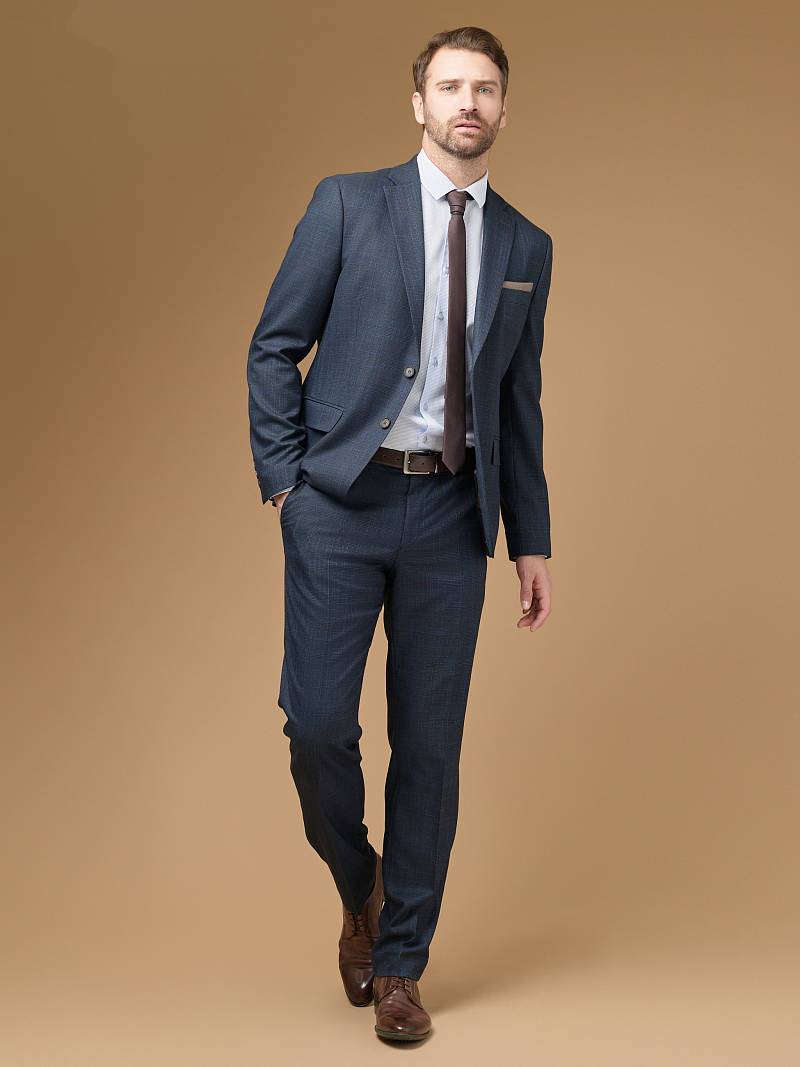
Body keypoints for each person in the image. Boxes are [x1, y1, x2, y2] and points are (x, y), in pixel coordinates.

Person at [246, 25, 554, 1043]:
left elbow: (516, 404)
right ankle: (361, 885)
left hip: (452, 516)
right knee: (317, 726)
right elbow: (273, 347)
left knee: (428, 747)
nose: (468, 102)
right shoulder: (347, 203)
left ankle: (401, 966)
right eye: (450, 85)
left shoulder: (525, 246)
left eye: (485, 88)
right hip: (339, 503)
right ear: (418, 104)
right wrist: (288, 488)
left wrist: (530, 540)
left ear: (503, 110)